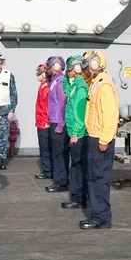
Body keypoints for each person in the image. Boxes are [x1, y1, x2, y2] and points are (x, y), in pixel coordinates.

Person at [80, 49, 119, 230]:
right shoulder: (96, 82)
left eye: (87, 66)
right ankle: (98, 215)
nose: (84, 70)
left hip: (100, 139)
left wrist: (104, 139)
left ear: (95, 65)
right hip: (94, 137)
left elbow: (111, 115)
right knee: (94, 178)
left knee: (99, 179)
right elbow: (87, 79)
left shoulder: (103, 85)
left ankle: (101, 218)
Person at [61, 55, 89, 210]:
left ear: (77, 69)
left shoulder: (80, 88)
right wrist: (66, 77)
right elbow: (65, 90)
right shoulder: (74, 86)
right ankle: (78, 196)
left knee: (78, 167)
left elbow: (80, 114)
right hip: (73, 131)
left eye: (69, 68)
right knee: (76, 166)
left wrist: (75, 134)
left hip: (78, 134)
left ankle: (79, 198)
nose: (67, 71)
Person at [44, 55, 69, 194]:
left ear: (57, 67)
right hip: (53, 121)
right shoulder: (54, 81)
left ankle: (61, 182)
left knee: (59, 154)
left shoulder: (59, 82)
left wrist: (60, 125)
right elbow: (48, 83)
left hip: (58, 123)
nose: (47, 68)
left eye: (49, 65)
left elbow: (63, 104)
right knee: (56, 153)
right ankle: (60, 179)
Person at [33, 63, 52, 181]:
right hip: (41, 121)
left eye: (39, 73)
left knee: (46, 148)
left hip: (44, 122)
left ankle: (48, 170)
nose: (37, 75)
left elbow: (47, 107)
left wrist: (46, 121)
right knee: (44, 147)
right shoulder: (43, 86)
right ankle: (47, 170)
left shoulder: (46, 88)